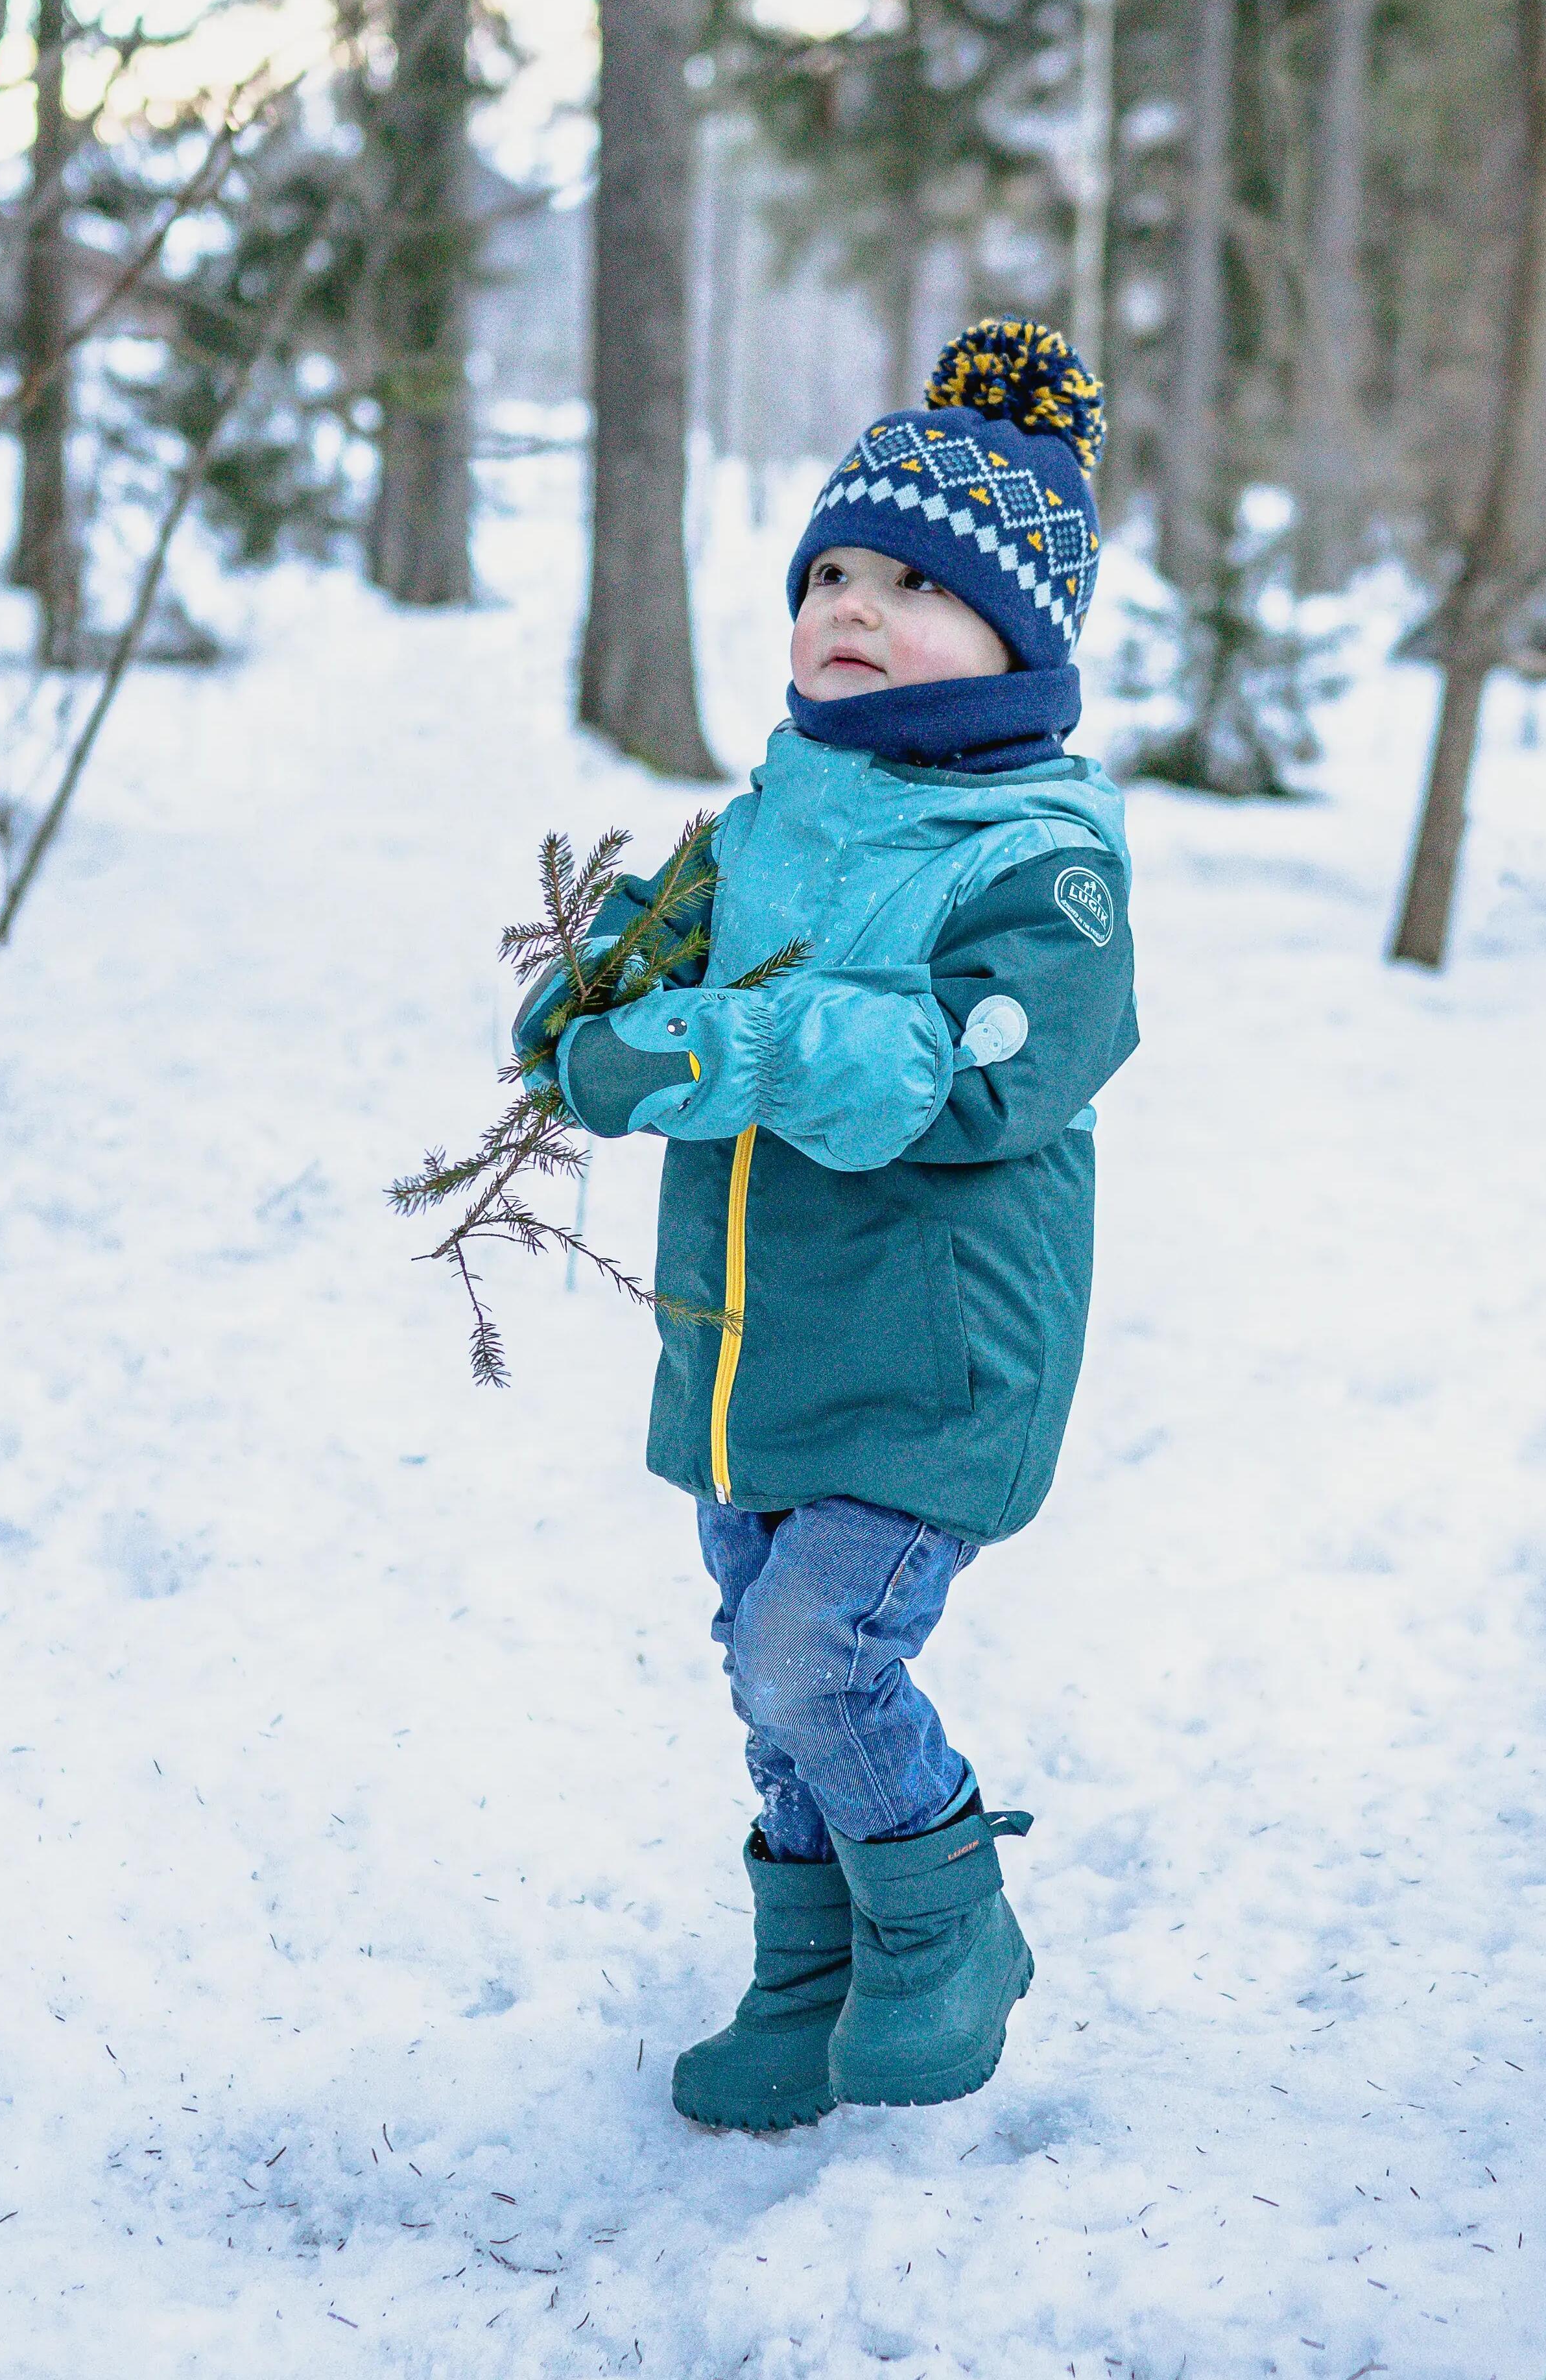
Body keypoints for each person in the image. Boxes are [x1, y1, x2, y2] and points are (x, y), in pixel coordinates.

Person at [529, 319, 1141, 2130]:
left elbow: (961, 1072)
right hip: (748, 1339)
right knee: (759, 1658)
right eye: (833, 574)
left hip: (932, 1361)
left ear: (1017, 636)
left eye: (915, 585)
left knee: (820, 1648)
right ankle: (806, 1973)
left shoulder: (1044, 863)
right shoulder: (776, 814)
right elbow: (656, 978)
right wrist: (594, 1017)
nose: (855, 606)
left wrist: (742, 1035)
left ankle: (948, 1916)